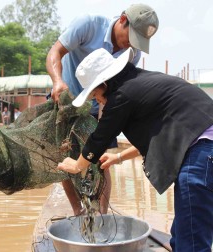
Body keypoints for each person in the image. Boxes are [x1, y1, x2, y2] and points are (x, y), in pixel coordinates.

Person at [58, 47, 213, 252]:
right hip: (203, 151)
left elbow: (99, 138)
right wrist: (118, 157)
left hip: (202, 155)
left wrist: (77, 165)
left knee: (191, 243)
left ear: (104, 84)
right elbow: (157, 139)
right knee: (185, 231)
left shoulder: (122, 95)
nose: (97, 100)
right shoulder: (140, 84)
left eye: (95, 94)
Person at [46, 3, 159, 215]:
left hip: (102, 103)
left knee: (100, 158)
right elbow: (55, 52)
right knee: (65, 157)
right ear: (123, 20)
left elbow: (119, 92)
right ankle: (78, 212)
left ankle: (102, 215)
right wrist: (57, 81)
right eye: (131, 38)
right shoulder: (88, 24)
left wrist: (105, 119)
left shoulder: (132, 54)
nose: (130, 46)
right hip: (68, 100)